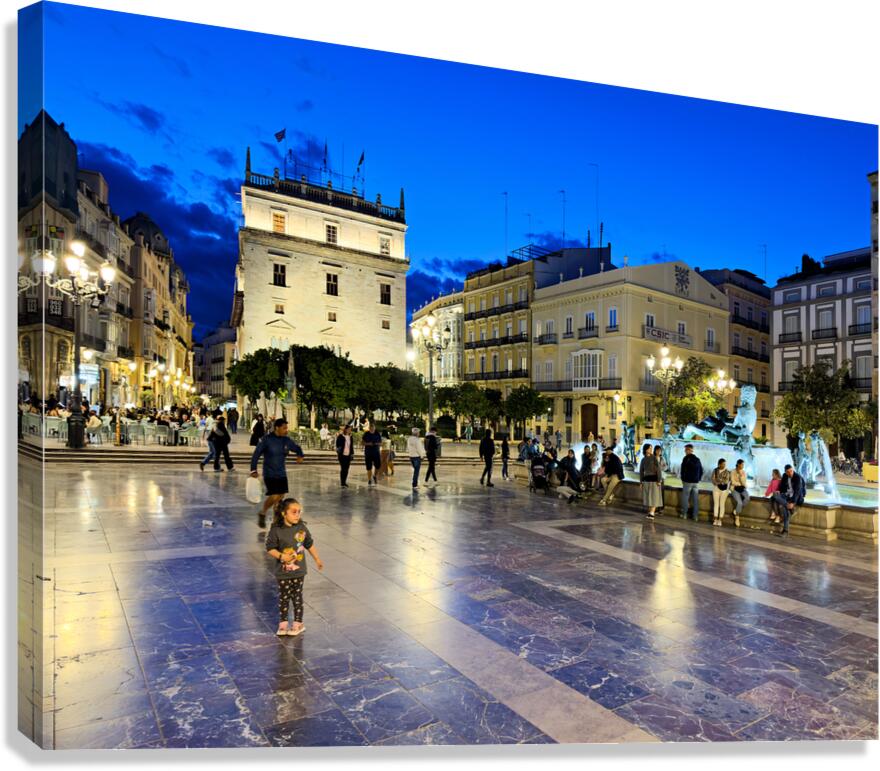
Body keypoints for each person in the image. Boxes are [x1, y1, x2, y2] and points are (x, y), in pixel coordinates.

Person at [265, 497, 323, 636]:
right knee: (284, 597)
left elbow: (309, 544)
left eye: (299, 512)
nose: (297, 515)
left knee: (297, 596)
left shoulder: (301, 528)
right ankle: (283, 624)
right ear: (284, 513)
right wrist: (281, 556)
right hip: (282, 572)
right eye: (294, 512)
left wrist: (317, 559)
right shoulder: (276, 529)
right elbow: (270, 548)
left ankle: (298, 623)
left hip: (299, 571)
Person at [250, 418, 305, 529]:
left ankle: (276, 520)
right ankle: (263, 512)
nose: (286, 430)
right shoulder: (266, 440)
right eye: (284, 428)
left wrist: (300, 455)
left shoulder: (286, 440)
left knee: (280, 496)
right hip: (269, 472)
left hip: (281, 473)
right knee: (274, 495)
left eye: (286, 428)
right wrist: (253, 469)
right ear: (277, 428)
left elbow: (296, 447)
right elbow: (256, 454)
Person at [772, 464, 805, 537]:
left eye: (791, 471)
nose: (790, 473)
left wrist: (793, 503)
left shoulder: (797, 477)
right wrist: (779, 491)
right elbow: (782, 486)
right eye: (788, 472)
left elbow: (797, 492)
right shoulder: (785, 476)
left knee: (785, 509)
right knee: (774, 495)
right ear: (786, 472)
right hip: (787, 495)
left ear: (792, 470)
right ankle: (787, 505)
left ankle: (785, 531)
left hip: (795, 497)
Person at [679, 444, 703, 521]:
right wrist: (698, 479)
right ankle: (695, 516)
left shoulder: (686, 459)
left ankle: (684, 514)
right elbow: (701, 471)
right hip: (696, 482)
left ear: (689, 450)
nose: (685, 451)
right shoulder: (697, 459)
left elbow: (683, 470)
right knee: (695, 500)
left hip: (687, 482)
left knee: (685, 498)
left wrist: (683, 479)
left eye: (686, 450)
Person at [639, 443, 662, 519]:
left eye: (651, 448)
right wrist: (641, 482)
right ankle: (650, 512)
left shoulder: (654, 458)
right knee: (648, 497)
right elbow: (641, 471)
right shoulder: (643, 459)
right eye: (649, 448)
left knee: (654, 496)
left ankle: (652, 512)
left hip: (654, 479)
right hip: (646, 480)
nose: (651, 450)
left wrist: (659, 480)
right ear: (645, 450)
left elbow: (658, 469)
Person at [711, 458, 732, 527]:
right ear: (719, 464)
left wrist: (718, 481)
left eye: (725, 464)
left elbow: (726, 481)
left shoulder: (728, 472)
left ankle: (720, 520)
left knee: (722, 504)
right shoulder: (715, 470)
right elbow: (712, 479)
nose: (724, 465)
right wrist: (719, 482)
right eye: (723, 464)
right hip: (716, 488)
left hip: (724, 490)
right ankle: (715, 519)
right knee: (716, 504)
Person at [730, 458, 749, 527]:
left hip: (742, 489)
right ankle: (737, 517)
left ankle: (737, 509)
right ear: (738, 464)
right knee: (740, 502)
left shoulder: (744, 472)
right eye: (742, 464)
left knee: (747, 499)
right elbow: (732, 482)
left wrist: (741, 476)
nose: (743, 465)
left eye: (743, 464)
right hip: (735, 489)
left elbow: (744, 483)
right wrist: (739, 483)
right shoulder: (732, 471)